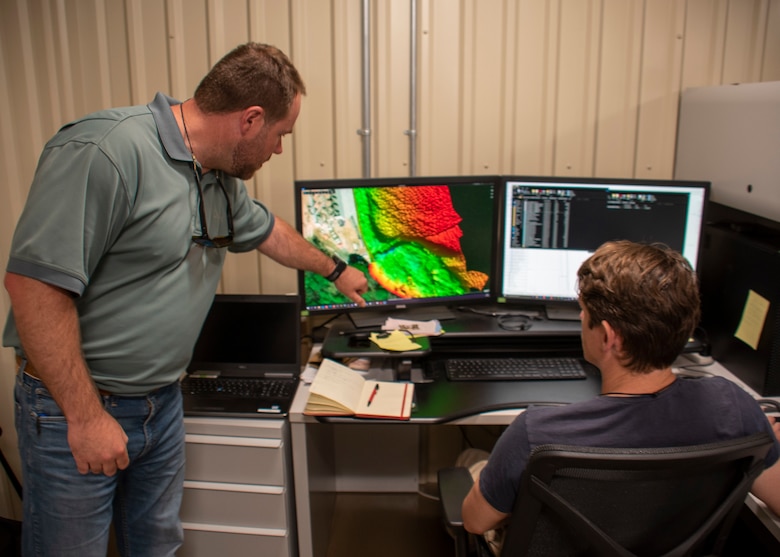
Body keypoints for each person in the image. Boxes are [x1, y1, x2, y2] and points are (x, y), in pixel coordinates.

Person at [3, 42, 368, 556]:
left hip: (161, 403)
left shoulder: (216, 174)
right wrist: (86, 419)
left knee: (157, 545)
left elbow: (266, 232)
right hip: (76, 406)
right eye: (280, 136)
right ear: (251, 120)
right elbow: (34, 287)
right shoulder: (104, 152)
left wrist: (334, 269)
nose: (279, 151)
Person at [461, 240, 780, 552]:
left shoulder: (535, 433)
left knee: (470, 462)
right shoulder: (736, 408)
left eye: (583, 313)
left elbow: (475, 522)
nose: (581, 321)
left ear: (608, 336)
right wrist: (766, 438)